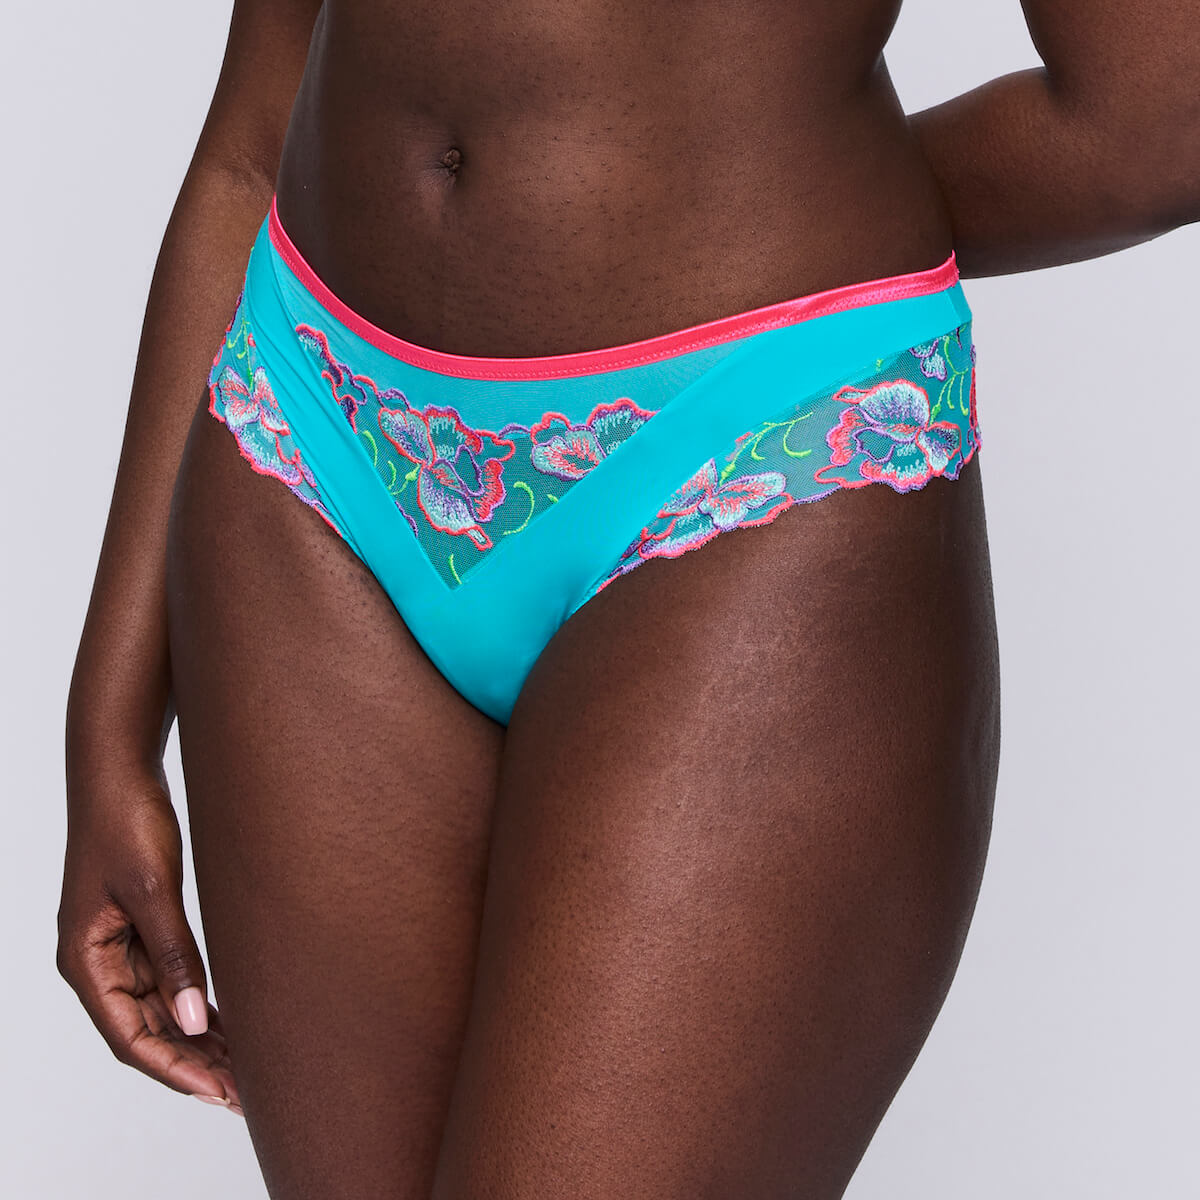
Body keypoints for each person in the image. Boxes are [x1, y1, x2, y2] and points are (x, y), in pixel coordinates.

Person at [57, 0, 1198, 1196]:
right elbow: (253, 131)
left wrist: (767, 174)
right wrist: (109, 722)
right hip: (312, 424)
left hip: (754, 444)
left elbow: (1158, 114)